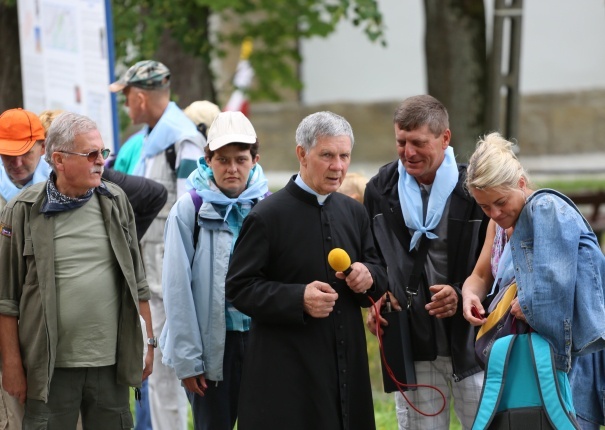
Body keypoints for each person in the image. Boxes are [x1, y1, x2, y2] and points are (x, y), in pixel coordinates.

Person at [225, 111, 388, 430]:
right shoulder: (267, 216)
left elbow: (378, 272)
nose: (338, 166)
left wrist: (368, 277)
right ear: (302, 153)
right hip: (287, 375)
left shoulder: (354, 212)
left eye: (344, 156)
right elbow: (239, 288)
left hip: (345, 368)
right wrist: (298, 298)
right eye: (327, 155)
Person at [0, 112, 154, 429]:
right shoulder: (23, 210)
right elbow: (6, 300)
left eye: (103, 153)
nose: (101, 161)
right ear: (58, 160)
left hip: (110, 367)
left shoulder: (116, 201)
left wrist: (147, 343)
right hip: (49, 368)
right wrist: (12, 366)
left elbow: (137, 283)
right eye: (91, 154)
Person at [461, 132, 605, 430]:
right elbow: (479, 276)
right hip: (535, 357)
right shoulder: (498, 224)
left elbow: (553, 293)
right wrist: (469, 295)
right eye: (485, 207)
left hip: (567, 356)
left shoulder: (546, 210)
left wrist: (527, 305)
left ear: (521, 183)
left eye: (500, 202)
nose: (495, 213)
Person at [364, 95, 489, 429]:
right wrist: (376, 298)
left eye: (418, 143)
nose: (408, 153)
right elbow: (372, 257)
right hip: (411, 343)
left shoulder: (474, 190)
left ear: (445, 138)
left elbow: (497, 264)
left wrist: (461, 292)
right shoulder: (379, 189)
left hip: (472, 345)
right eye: (401, 142)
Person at [110, 60, 206, 430]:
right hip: (150, 273)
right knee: (155, 368)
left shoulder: (182, 139)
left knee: (167, 368)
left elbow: (190, 211)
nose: (126, 107)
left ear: (138, 97)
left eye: (126, 99)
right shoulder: (155, 136)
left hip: (167, 276)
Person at [161, 111, 269, 430]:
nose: (232, 168)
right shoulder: (190, 209)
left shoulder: (269, 207)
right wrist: (189, 360)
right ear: (207, 159)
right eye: (222, 159)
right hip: (211, 349)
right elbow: (177, 290)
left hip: (260, 342)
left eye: (240, 159)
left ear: (255, 159)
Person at [39, 109, 168, 240]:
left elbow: (157, 193)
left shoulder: (104, 180)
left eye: (102, 152)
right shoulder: (28, 201)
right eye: (41, 147)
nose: (101, 161)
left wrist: (124, 244)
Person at [0, 108, 50, 430]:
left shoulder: (66, 185)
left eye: (25, 154)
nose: (16, 164)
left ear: (42, 147)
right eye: (7, 156)